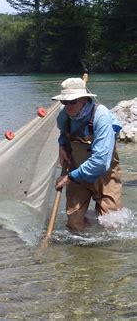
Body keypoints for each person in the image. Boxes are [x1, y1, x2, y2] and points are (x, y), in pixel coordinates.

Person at [53, 77, 123, 231]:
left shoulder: (101, 116)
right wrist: (62, 146)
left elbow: (100, 162)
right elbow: (63, 134)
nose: (68, 106)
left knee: (112, 226)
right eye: (65, 102)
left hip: (105, 174)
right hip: (77, 170)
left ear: (84, 99)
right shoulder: (63, 115)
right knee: (74, 224)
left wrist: (69, 177)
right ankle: (83, 248)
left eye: (73, 102)